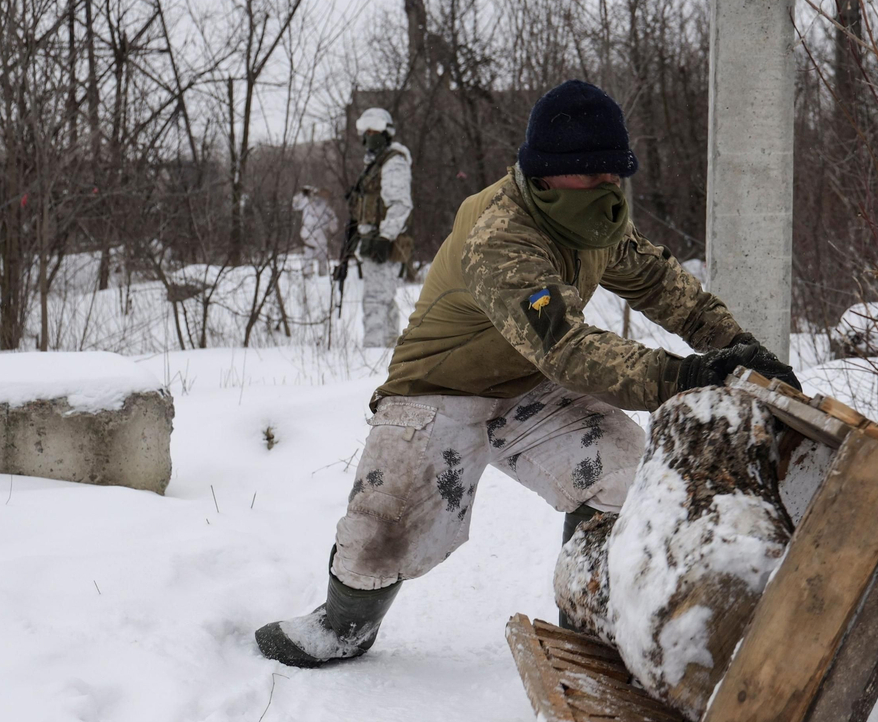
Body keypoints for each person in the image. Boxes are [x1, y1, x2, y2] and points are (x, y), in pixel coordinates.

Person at [255, 80, 798, 668]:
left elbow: (666, 288)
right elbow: (566, 347)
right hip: (441, 390)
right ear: (550, 173)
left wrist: (736, 347)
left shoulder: (597, 221)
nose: (610, 186)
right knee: (380, 532)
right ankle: (344, 625)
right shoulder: (499, 232)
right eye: (595, 173)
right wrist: (687, 376)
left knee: (624, 476)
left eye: (617, 173)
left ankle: (589, 616)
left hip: (529, 390)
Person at [348, 108, 413, 347]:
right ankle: (389, 348)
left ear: (386, 133)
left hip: (384, 240)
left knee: (376, 300)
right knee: (384, 298)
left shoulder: (393, 161)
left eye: (375, 131)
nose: (370, 136)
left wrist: (385, 237)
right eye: (367, 132)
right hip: (372, 238)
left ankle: (373, 352)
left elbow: (400, 204)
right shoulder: (374, 164)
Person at [291, 185, 337, 274]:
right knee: (308, 257)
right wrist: (303, 194)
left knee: (322, 258)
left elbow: (333, 218)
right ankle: (307, 276)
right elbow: (295, 205)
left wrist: (333, 230)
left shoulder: (325, 205)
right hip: (308, 234)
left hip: (321, 235)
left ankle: (323, 277)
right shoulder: (307, 201)